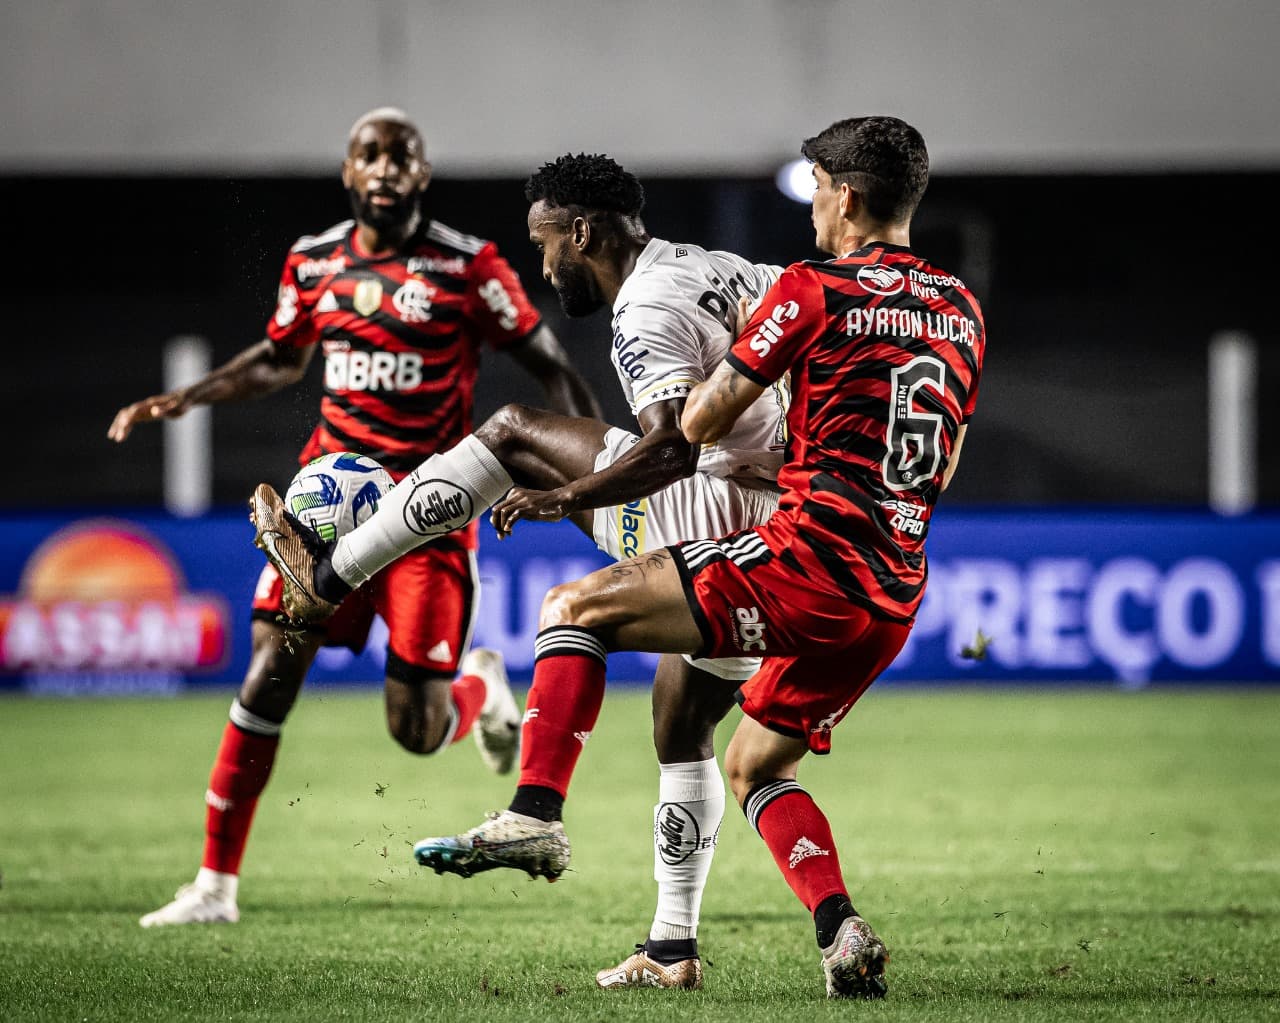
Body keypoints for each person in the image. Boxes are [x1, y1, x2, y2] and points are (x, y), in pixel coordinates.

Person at [406, 115, 986, 999]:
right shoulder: (961, 307)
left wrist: (698, 425)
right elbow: (934, 455)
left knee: (575, 608)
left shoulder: (810, 288)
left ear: (851, 196)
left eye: (821, 190)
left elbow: (695, 426)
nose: (816, 208)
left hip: (806, 557)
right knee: (752, 760)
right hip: (896, 582)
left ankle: (534, 815)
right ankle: (833, 931)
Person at [249, 153, 790, 988]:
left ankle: (328, 576)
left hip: (707, 514)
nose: (544, 266)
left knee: (509, 435)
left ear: (583, 232)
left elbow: (670, 449)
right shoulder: (725, 269)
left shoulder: (644, 303)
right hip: (774, 537)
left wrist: (566, 491)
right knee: (683, 729)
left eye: (546, 245)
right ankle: (673, 947)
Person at [108, 107, 601, 928]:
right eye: (368, 155)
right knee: (271, 666)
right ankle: (213, 886)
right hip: (324, 512)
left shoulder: (467, 267)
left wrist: (596, 473)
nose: (384, 168)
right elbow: (278, 356)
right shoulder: (314, 262)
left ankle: (477, 691)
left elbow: (547, 364)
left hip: (430, 513)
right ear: (347, 172)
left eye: (400, 156)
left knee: (416, 731)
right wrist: (187, 396)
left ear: (421, 174)